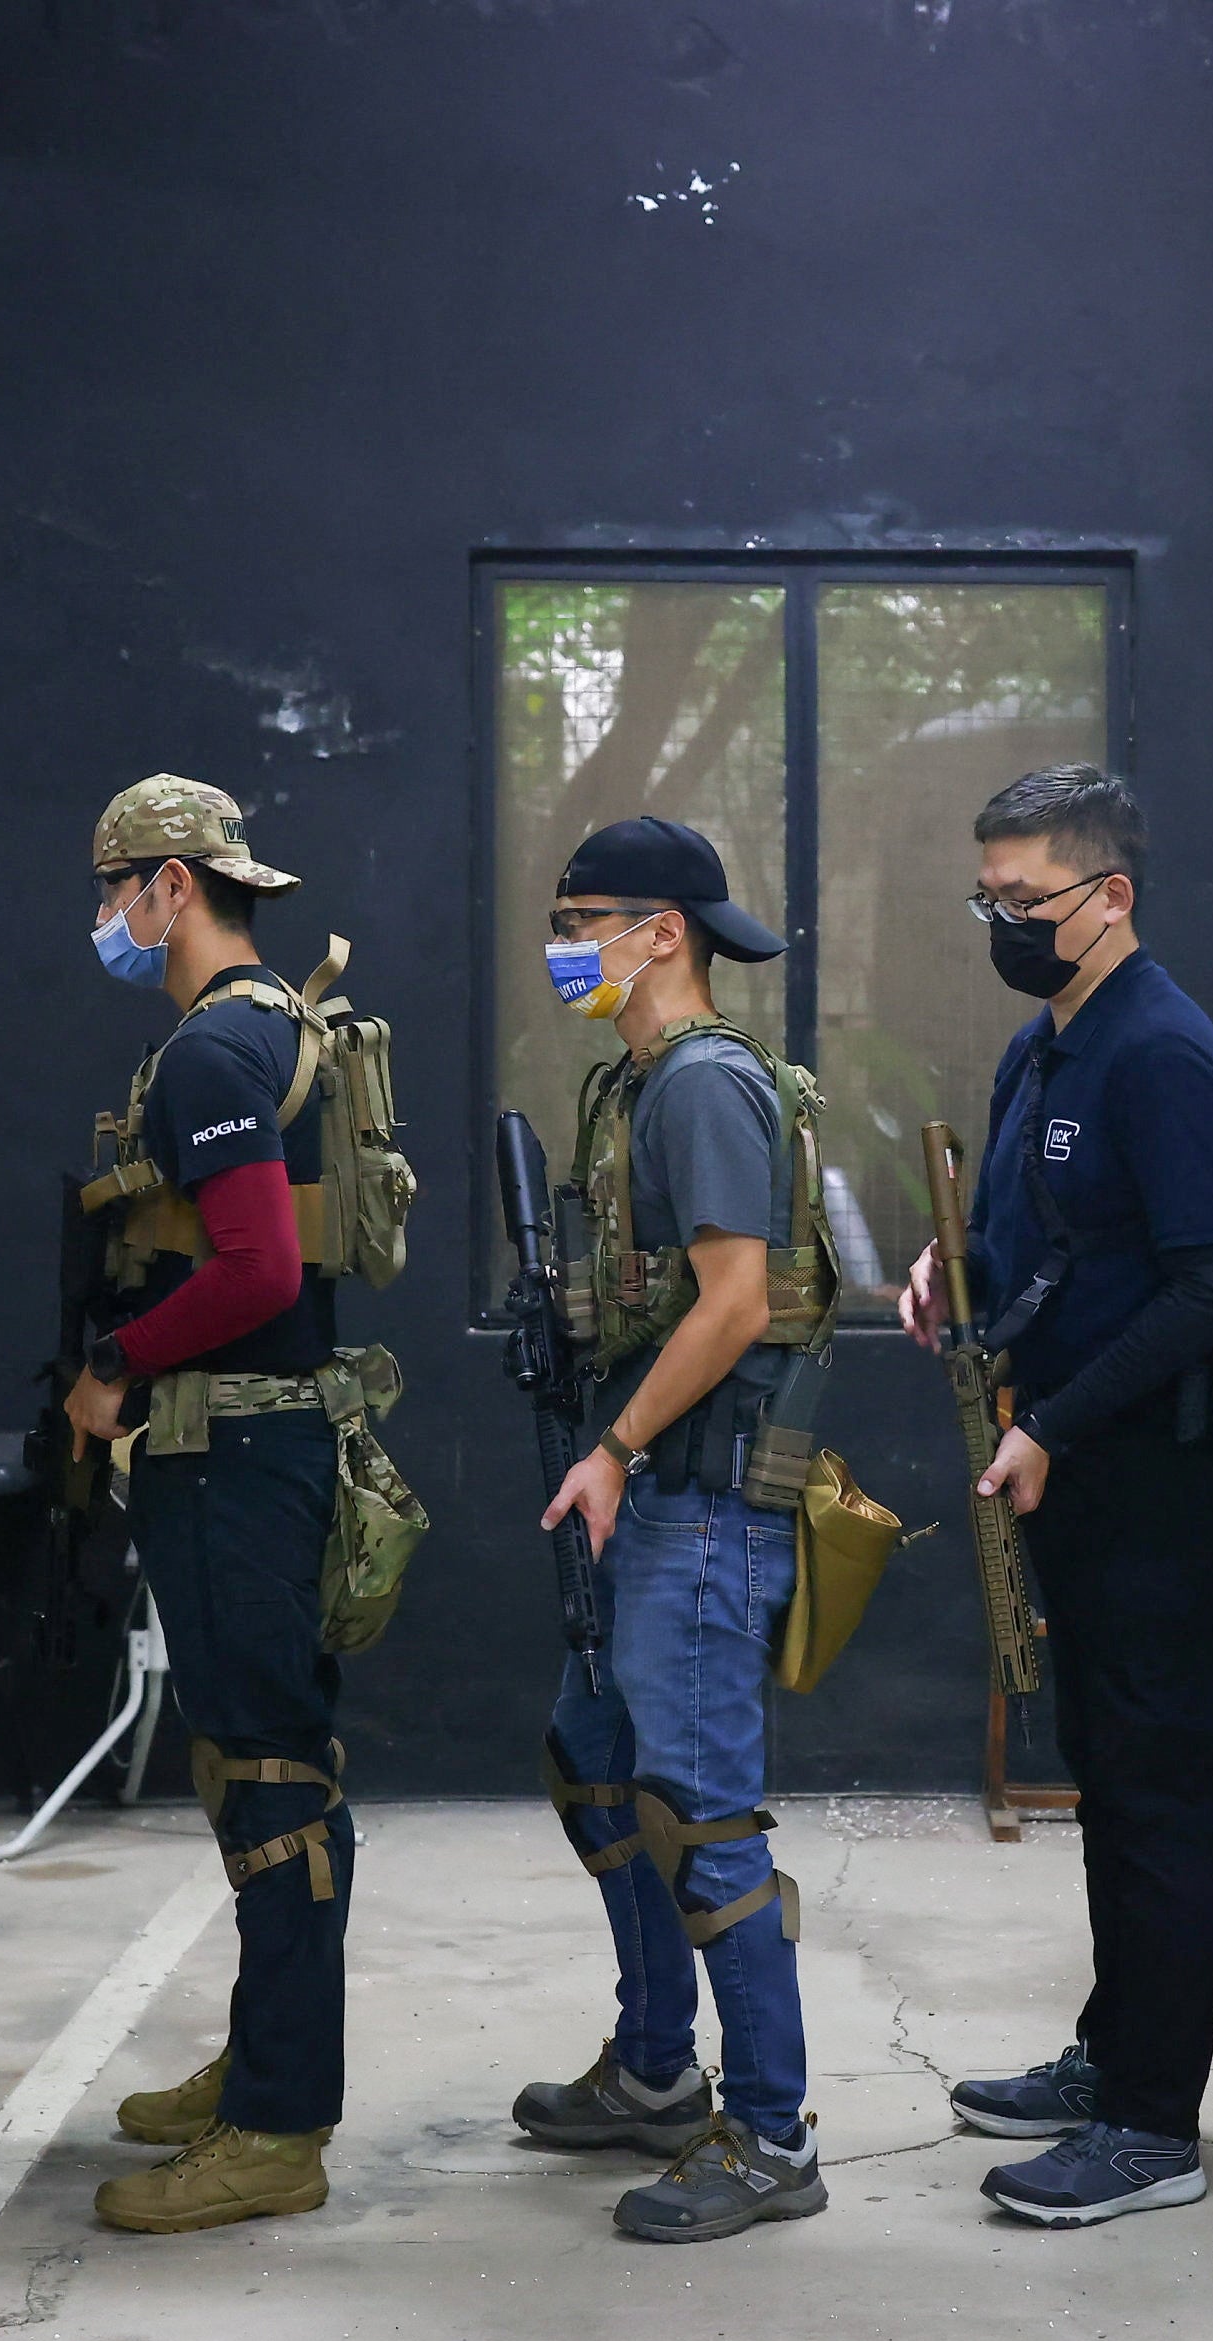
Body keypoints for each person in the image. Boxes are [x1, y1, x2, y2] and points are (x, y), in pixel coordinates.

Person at [904, 765, 1213, 2227]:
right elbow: (1039, 1235)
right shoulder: (1043, 1048)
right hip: (1075, 1466)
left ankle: (1153, 2125)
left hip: (1161, 1474)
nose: (1000, 920)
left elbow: (1208, 1288)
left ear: (1111, 898)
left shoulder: (1161, 1053)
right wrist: (955, 1271)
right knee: (1109, 1781)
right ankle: (1116, 2053)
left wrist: (1052, 1419)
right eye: (985, 895)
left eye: (1025, 898)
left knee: (1160, 1795)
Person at [515, 816, 837, 2242]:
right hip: (645, 1499)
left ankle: (768, 2132)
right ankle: (656, 2068)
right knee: (602, 1768)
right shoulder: (628, 1083)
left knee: (705, 1819)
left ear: (665, 933)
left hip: (697, 1504)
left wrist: (615, 1445)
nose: (566, 940)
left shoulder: (703, 1088)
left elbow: (736, 1305)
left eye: (589, 916)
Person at [65, 775, 361, 2235]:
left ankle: (279, 2126)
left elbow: (256, 1272)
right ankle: (268, 2057)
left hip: (236, 1453)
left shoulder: (214, 1050)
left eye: (121, 890)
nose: (113, 920)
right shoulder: (270, 1026)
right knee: (265, 1766)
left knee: (273, 1783)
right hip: (261, 1445)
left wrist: (115, 1363)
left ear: (175, 886)